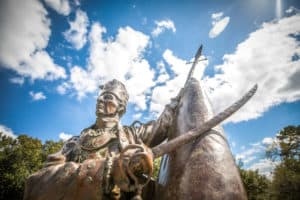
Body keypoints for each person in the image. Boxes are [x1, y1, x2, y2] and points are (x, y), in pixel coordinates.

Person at [24, 79, 178, 200]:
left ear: (120, 107)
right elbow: (45, 177)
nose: (100, 101)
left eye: (108, 98)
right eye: (99, 98)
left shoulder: (132, 134)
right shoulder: (73, 143)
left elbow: (161, 127)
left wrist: (173, 105)